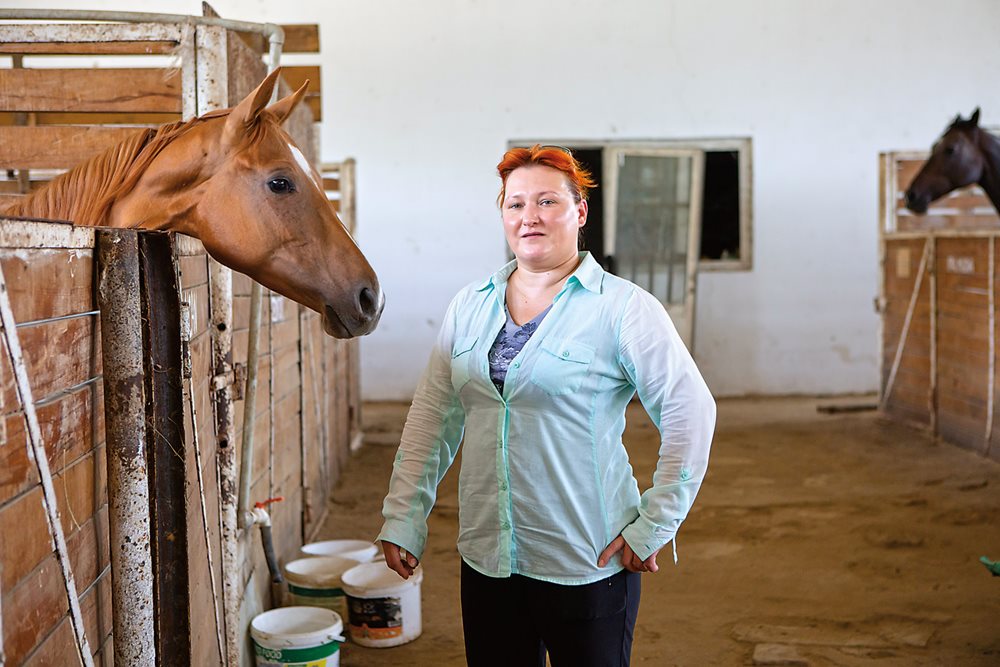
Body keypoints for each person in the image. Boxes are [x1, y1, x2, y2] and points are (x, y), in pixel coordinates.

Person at [377, 144, 716, 666]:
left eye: (547, 202)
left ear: (579, 212)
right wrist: (404, 515)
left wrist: (655, 524)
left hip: (585, 558)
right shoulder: (469, 305)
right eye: (515, 204)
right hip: (488, 557)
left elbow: (690, 411)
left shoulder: (622, 308)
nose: (529, 216)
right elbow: (433, 416)